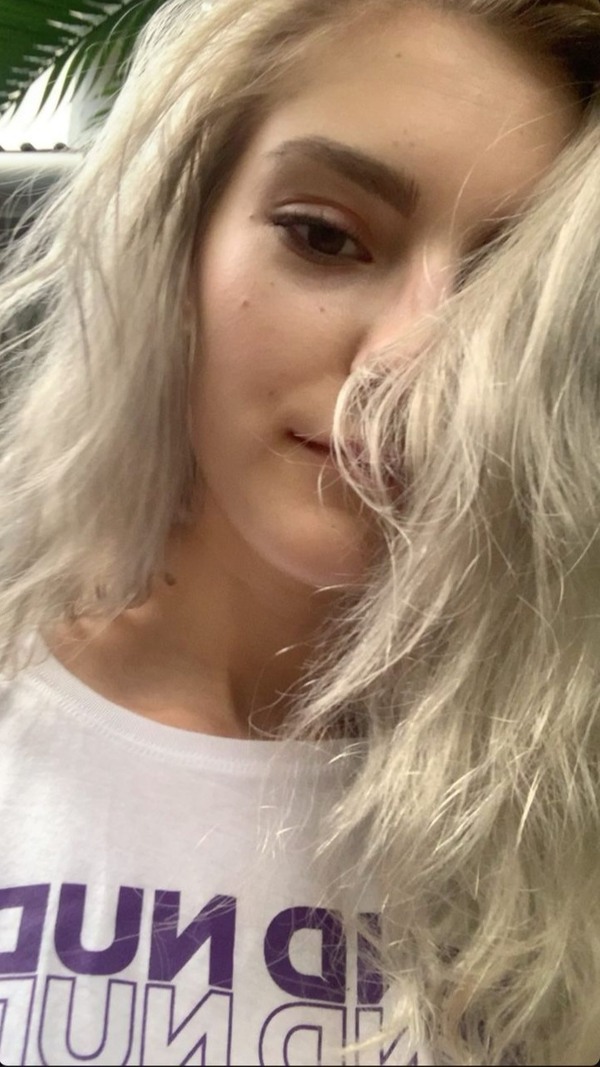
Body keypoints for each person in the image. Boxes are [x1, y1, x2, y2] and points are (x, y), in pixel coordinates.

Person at [0, 0, 599, 1063]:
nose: (406, 364)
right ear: (180, 238)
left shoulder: (561, 811)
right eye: (324, 236)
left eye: (509, 300)